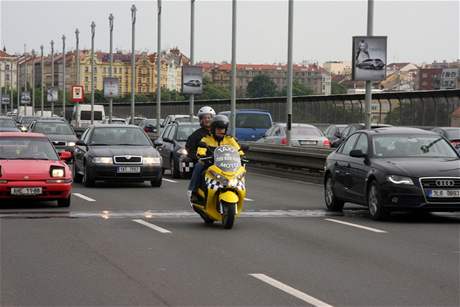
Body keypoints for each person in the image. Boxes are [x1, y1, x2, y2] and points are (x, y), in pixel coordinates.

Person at [186, 106, 216, 199]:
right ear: (201, 120)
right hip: (204, 160)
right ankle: (193, 190)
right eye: (205, 118)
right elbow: (189, 149)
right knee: (198, 166)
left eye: (209, 117)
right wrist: (198, 157)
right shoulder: (195, 135)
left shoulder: (218, 133)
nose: (207, 120)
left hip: (219, 160)